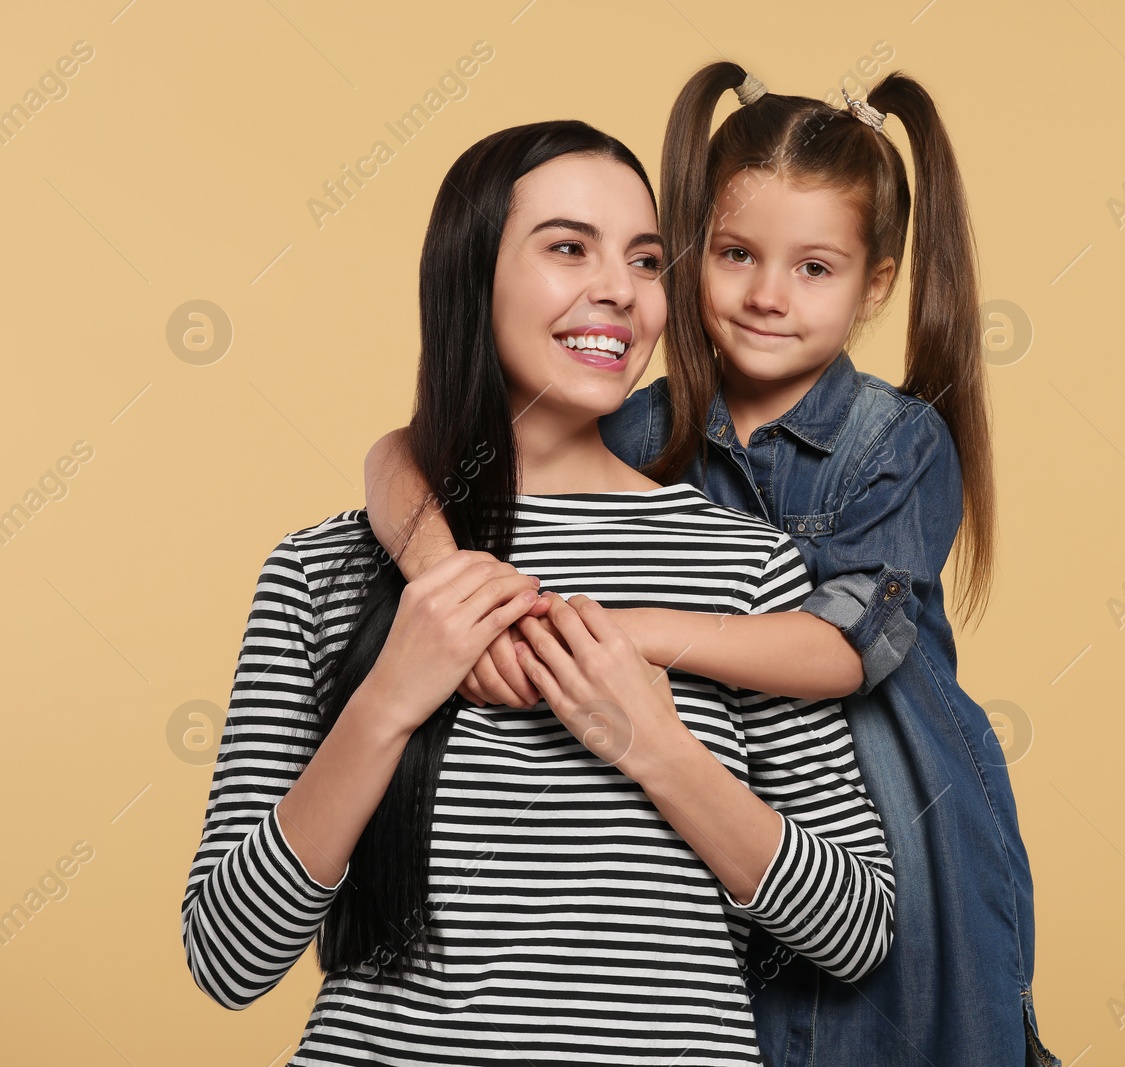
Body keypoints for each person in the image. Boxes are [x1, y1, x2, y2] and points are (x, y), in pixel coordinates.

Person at [363, 65, 1055, 1066]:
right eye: (735, 254)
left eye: (813, 268)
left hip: (879, 778)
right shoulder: (636, 421)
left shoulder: (895, 441)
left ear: (878, 282)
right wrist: (445, 577)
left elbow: (840, 649)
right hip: (687, 763)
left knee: (878, 1024)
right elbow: (405, 454)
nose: (768, 296)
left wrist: (621, 627)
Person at [180, 119, 893, 1067]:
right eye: (567, 248)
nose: (618, 290)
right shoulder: (326, 570)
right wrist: (391, 695)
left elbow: (855, 931)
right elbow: (228, 955)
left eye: (645, 260)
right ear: (471, 276)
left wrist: (659, 751)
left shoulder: (743, 571)